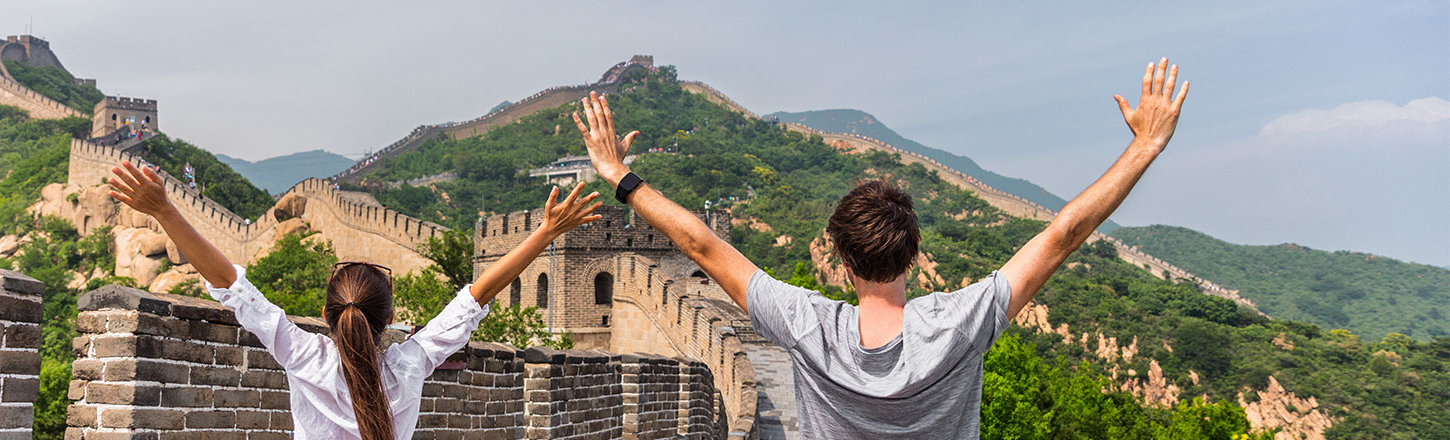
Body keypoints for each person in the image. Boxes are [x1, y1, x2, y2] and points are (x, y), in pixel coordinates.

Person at [570, 58, 1189, 438]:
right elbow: (1062, 237)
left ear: (841, 262)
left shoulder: (807, 325)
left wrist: (619, 175)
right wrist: (1144, 148)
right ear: (916, 255)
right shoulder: (957, 327)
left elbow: (702, 246)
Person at [105, 160, 603, 440]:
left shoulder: (304, 357)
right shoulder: (408, 366)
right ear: (389, 320)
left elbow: (234, 288)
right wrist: (546, 233)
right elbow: (475, 297)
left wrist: (164, 210)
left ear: (326, 314)